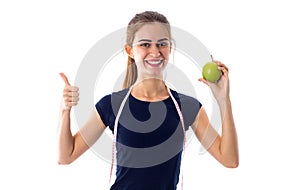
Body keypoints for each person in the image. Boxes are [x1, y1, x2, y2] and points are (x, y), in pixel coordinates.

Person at [58, 11, 239, 190]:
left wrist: (224, 100)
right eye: (145, 44)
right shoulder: (112, 106)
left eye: (162, 44)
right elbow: (67, 155)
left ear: (170, 48)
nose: (155, 52)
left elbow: (229, 159)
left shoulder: (187, 107)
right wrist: (65, 109)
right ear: (130, 51)